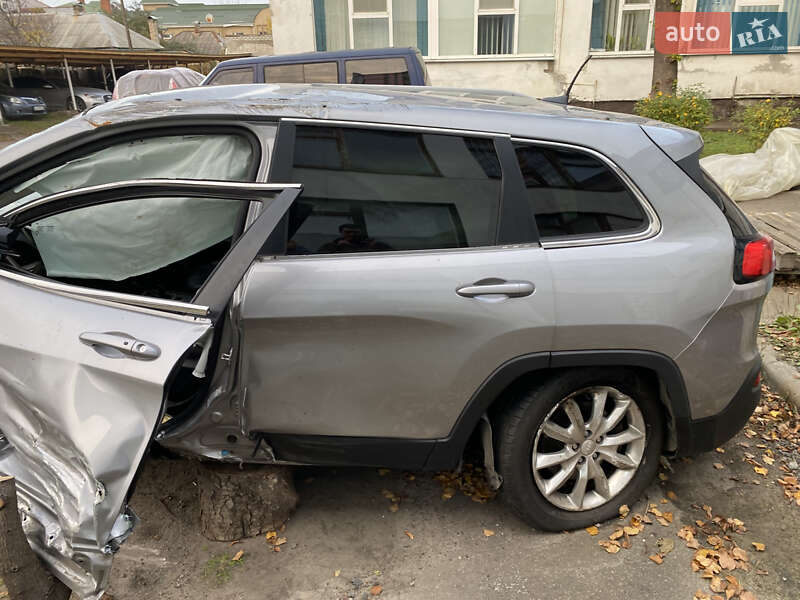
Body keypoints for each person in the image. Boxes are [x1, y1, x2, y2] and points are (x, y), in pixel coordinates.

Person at [318, 224, 392, 253]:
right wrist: (343, 246)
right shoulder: (331, 246)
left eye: (355, 232)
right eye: (348, 232)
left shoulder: (372, 244)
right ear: (341, 232)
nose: (352, 234)